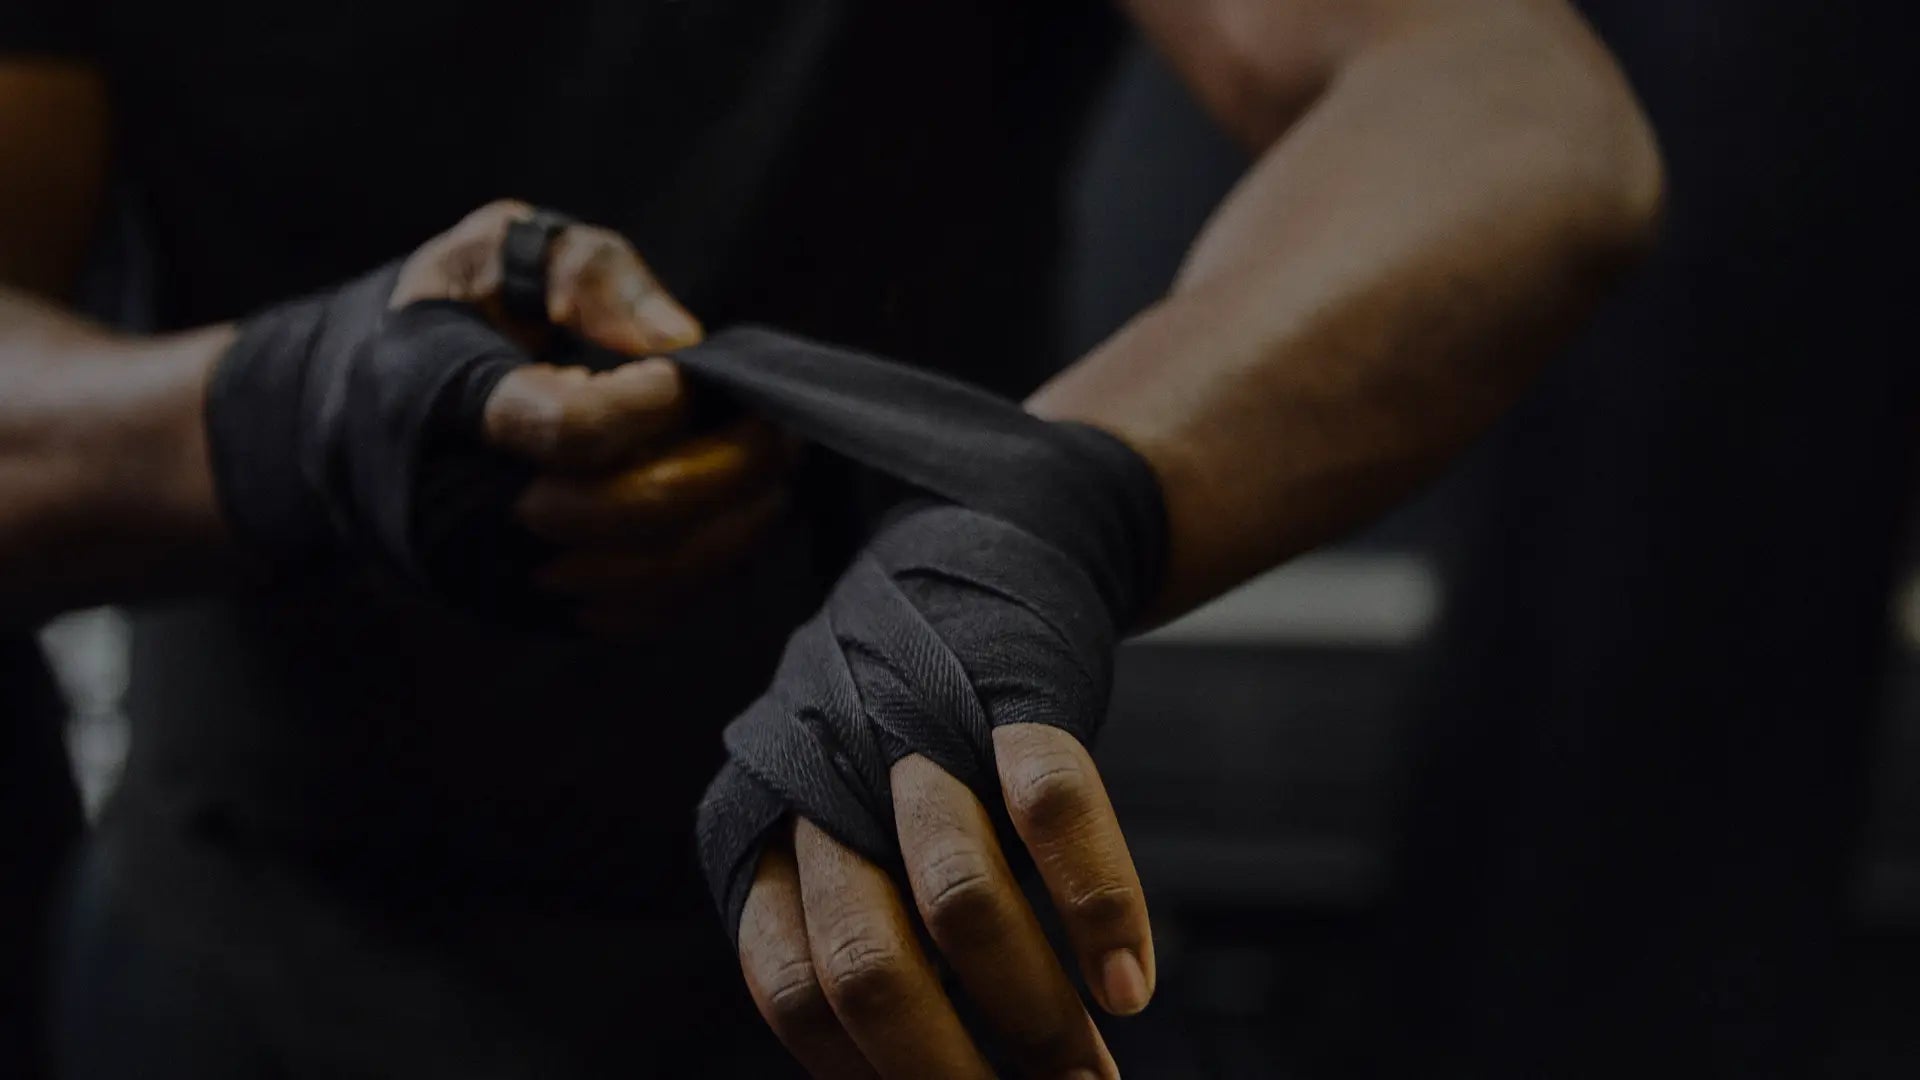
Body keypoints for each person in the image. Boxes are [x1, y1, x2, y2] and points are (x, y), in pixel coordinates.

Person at [0, 1, 1661, 1077]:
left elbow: (1507, 111)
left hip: (918, 918)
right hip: (259, 966)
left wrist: (1042, 504)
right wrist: (296, 408)